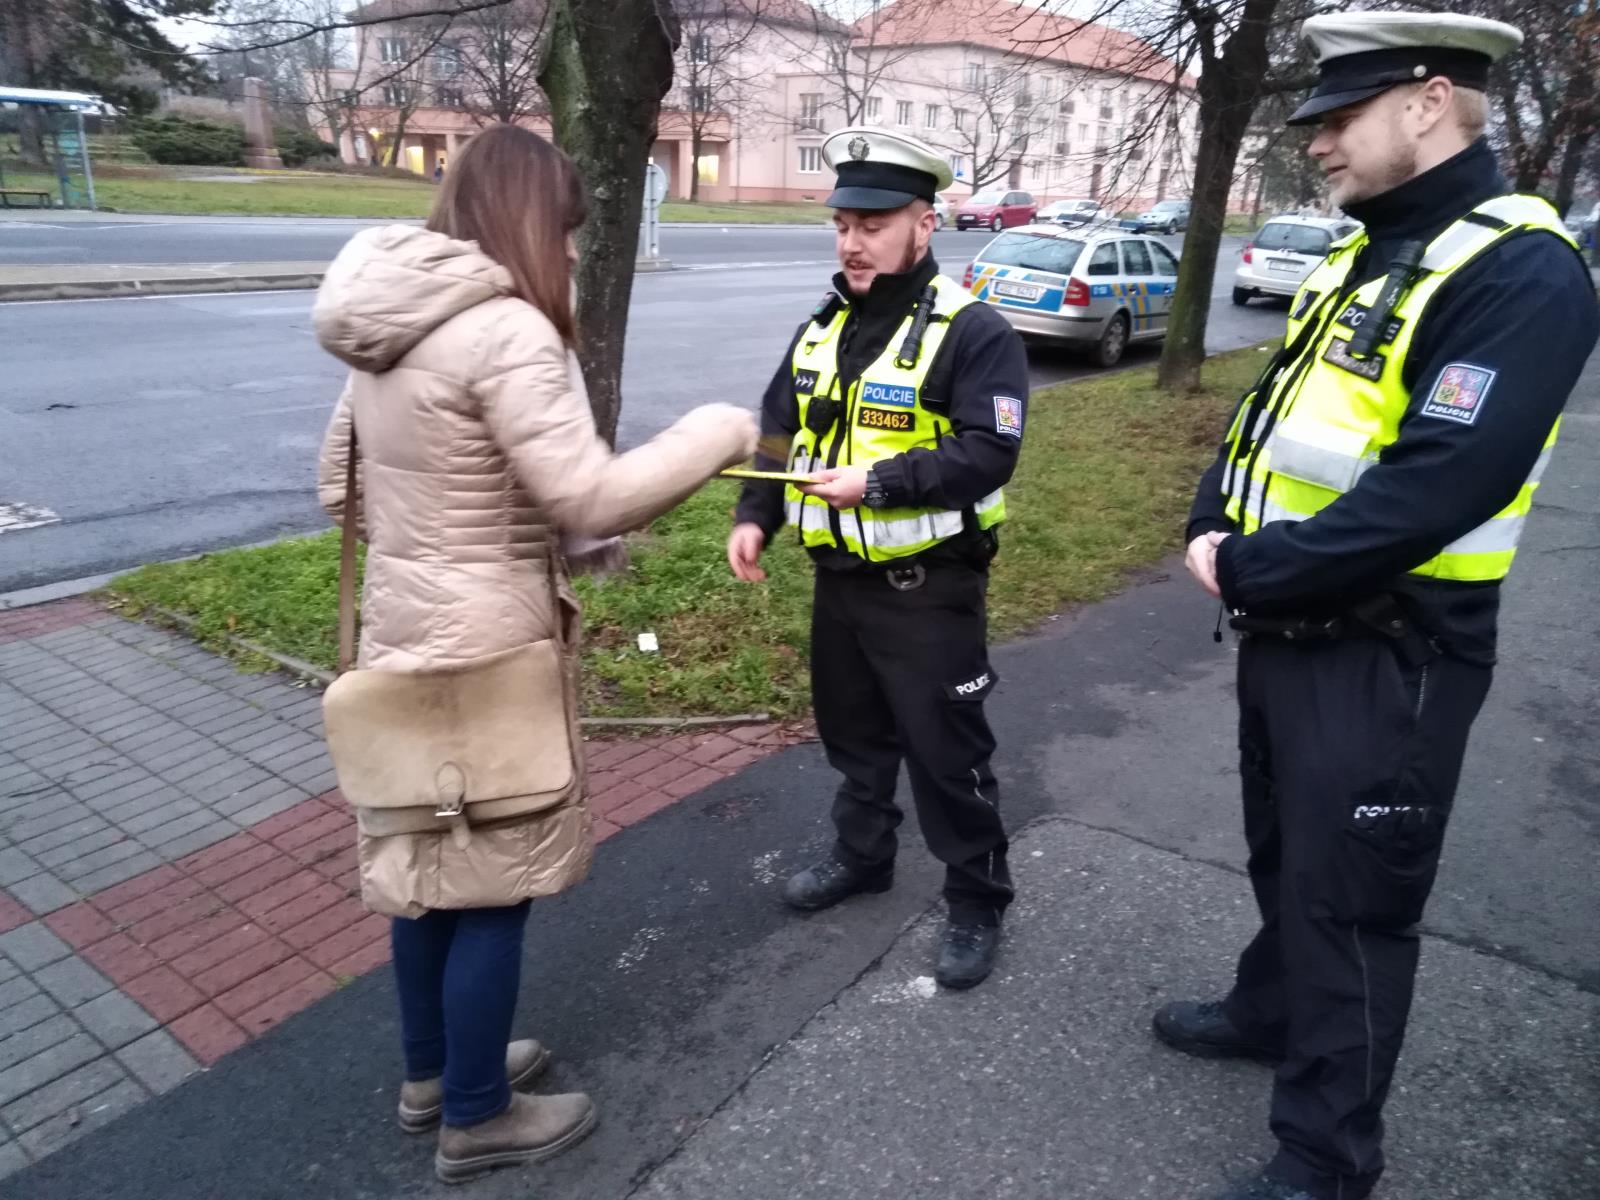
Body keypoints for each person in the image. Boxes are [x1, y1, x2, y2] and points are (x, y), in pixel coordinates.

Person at [1156, 12, 1600, 1200]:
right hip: (1295, 633)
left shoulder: (1520, 268)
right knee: (1285, 855)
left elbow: (1441, 483)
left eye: (1338, 118)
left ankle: (1326, 1157)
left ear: (1426, 101)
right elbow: (1271, 418)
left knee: (1352, 901)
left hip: (1393, 650)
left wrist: (1253, 568)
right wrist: (1212, 514)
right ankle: (1268, 1006)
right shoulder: (1365, 249)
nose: (1317, 145)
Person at [313, 124, 756, 1185]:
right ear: (530, 221)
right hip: (490, 649)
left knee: (427, 866)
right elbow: (588, 492)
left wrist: (453, 540)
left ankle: (432, 1073)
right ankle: (475, 1112)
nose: (566, 251)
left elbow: (343, 487)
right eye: (563, 231)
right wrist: (719, 431)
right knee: (493, 885)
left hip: (401, 631)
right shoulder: (504, 329)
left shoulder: (388, 325)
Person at [726, 127, 1029, 990]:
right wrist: (758, 513)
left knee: (946, 752)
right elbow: (781, 427)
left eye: (874, 223)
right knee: (855, 739)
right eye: (843, 224)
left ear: (923, 225)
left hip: (928, 589)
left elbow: (988, 454)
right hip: (841, 583)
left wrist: (882, 482)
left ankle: (977, 898)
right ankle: (864, 857)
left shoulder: (973, 332)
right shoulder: (824, 327)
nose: (852, 242)